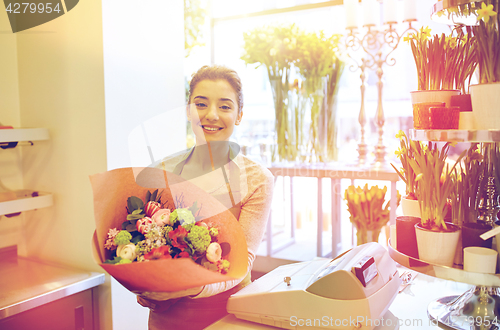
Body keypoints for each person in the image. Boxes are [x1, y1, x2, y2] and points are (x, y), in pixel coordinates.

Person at [137, 65, 275, 329]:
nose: (211, 115)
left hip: (230, 315)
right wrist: (144, 287)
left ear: (239, 115)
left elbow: (241, 264)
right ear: (189, 110)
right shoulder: (160, 171)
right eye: (201, 104)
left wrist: (185, 290)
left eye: (225, 106)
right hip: (167, 316)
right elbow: (142, 244)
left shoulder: (257, 179)